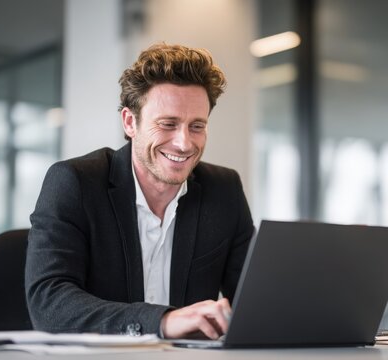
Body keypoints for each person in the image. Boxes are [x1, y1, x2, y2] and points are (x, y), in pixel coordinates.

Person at [25, 43, 254, 340]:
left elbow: (253, 304)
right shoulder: (74, 183)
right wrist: (162, 321)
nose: (184, 143)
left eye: (196, 126)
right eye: (168, 124)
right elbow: (49, 304)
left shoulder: (224, 190)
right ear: (130, 122)